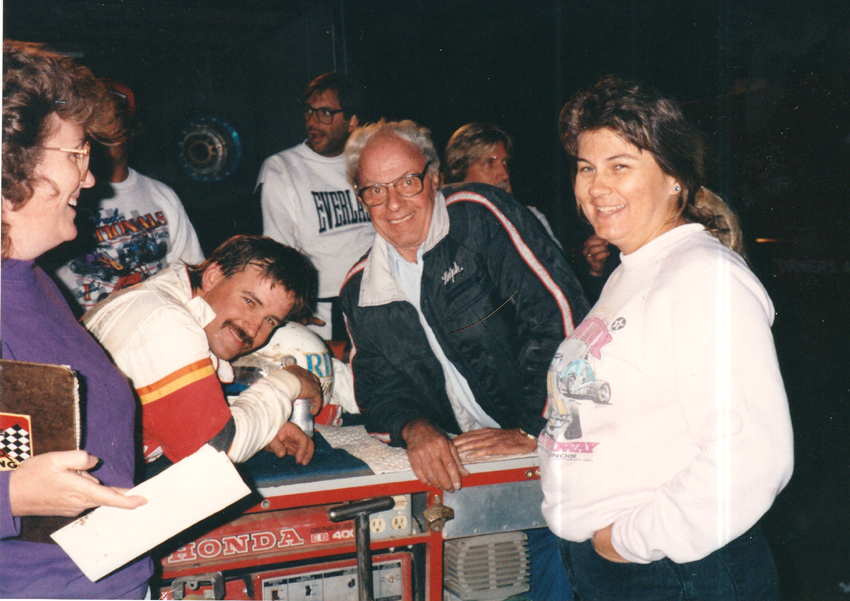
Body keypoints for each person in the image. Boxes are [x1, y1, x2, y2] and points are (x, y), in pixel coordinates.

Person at [538, 75, 794, 600]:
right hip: (626, 565)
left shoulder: (701, 276)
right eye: (586, 167)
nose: (596, 186)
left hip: (675, 570)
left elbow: (753, 454)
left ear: (674, 177)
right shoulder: (632, 271)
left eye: (620, 166)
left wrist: (628, 541)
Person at [340, 119, 588, 600]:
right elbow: (376, 390)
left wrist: (529, 429)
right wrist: (415, 428)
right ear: (360, 198)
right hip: (474, 466)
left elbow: (561, 315)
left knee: (559, 565)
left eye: (407, 182)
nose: (394, 204)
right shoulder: (358, 290)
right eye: (375, 190)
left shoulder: (479, 215)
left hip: (555, 437)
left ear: (433, 177)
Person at [1, 40, 153, 599]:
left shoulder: (38, 282)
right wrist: (12, 496)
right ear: (13, 166)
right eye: (76, 154)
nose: (89, 179)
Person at [83, 235, 323, 465]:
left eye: (270, 321)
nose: (253, 329)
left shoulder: (163, 301)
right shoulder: (166, 322)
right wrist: (286, 383)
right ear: (212, 277)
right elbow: (214, 453)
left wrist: (261, 428)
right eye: (249, 301)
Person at [47, 81, 204, 314]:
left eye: (116, 119)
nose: (107, 132)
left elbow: (192, 275)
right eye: (99, 121)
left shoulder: (162, 195)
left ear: (134, 129)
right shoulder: (68, 196)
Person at [256, 72, 374, 341]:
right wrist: (290, 311)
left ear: (352, 122)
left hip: (377, 299)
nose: (312, 121)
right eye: (309, 111)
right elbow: (276, 251)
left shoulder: (367, 161)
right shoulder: (281, 168)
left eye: (325, 113)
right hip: (322, 314)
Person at [444, 122, 560, 244]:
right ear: (460, 171)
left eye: (504, 162)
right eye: (490, 163)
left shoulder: (532, 218)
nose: (505, 175)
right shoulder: (441, 226)